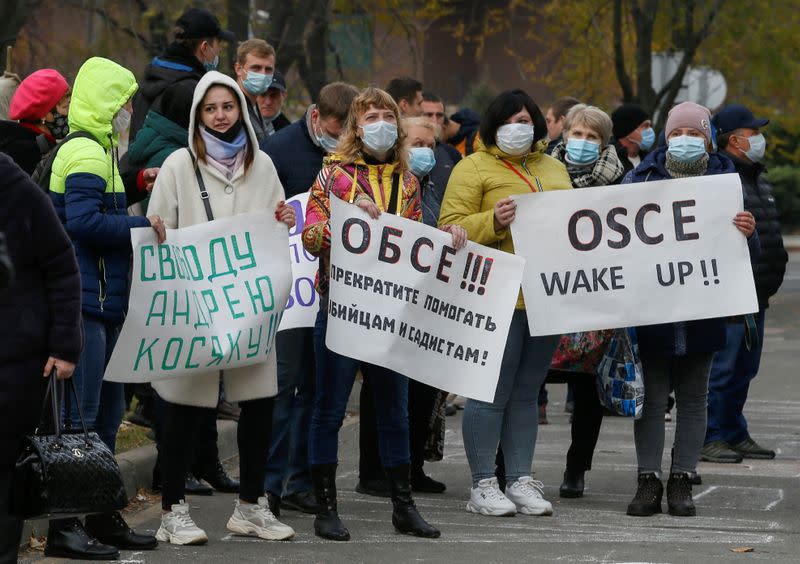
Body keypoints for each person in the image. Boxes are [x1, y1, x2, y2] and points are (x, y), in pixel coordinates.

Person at [302, 87, 464, 541]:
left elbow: (416, 240)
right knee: (329, 409)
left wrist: (445, 235)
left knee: (394, 409)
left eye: (387, 116)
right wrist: (345, 221)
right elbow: (311, 237)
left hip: (392, 312)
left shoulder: (408, 181)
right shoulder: (333, 176)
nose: (381, 124)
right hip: (340, 307)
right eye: (371, 116)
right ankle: (326, 508)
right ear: (356, 126)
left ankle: (403, 506)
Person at [147, 71, 296, 545]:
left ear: (240, 111)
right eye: (210, 108)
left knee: (258, 405)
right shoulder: (177, 165)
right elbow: (161, 230)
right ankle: (173, 509)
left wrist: (286, 218)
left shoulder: (263, 166)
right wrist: (157, 229)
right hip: (195, 304)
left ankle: (251, 506)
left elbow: (276, 225)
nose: (219, 116)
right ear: (197, 115)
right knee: (185, 410)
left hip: (248, 307)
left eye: (227, 107)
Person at [438, 89, 572, 517]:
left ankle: (519, 479)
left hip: (544, 296)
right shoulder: (472, 168)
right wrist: (492, 222)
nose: (520, 127)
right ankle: (482, 484)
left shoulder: (553, 167)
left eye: (527, 119)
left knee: (526, 394)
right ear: (494, 126)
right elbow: (450, 228)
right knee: (490, 392)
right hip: (496, 298)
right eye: (511, 120)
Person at [48, 56, 161, 558]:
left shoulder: (99, 152)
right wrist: (142, 228)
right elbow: (84, 223)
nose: (130, 112)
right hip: (86, 305)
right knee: (84, 419)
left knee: (107, 416)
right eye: (124, 102)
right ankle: (65, 527)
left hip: (102, 304)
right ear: (106, 106)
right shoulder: (89, 155)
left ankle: (99, 514)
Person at [622, 101, 759, 518]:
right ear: (666, 138)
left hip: (703, 310)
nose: (686, 140)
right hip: (654, 311)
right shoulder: (639, 178)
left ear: (708, 138)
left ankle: (682, 478)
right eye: (678, 133)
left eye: (695, 134)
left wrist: (746, 233)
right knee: (653, 396)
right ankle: (649, 480)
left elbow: (745, 252)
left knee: (695, 397)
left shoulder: (726, 181)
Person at [259, 81, 359, 517]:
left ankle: (300, 482)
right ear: (316, 118)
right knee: (283, 388)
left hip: (326, 292)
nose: (342, 140)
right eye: (337, 130)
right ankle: (267, 486)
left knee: (314, 392)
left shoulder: (355, 159)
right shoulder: (278, 150)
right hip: (288, 292)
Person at [0, 153, 82, 561]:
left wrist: (64, 347)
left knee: (5, 478)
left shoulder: (19, 191)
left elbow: (62, 267)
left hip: (14, 365)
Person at [699, 104, 788, 463]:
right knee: (721, 370)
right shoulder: (721, 180)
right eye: (754, 134)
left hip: (757, 293)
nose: (760, 140)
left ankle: (734, 431)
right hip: (730, 294)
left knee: (744, 370)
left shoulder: (756, 176)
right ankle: (710, 436)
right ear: (734, 140)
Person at [546, 104, 626, 498]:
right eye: (577, 134)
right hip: (546, 293)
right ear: (564, 135)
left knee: (589, 390)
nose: (583, 143)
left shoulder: (621, 185)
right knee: (528, 383)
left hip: (595, 297)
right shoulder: (540, 175)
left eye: (592, 137)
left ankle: (576, 469)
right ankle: (506, 466)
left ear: (604, 143)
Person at [131, 7, 234, 142]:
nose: (219, 50)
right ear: (204, 47)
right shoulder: (192, 91)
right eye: (218, 44)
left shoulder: (148, 80)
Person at [0, 69, 70, 175]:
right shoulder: (27, 154)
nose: (69, 112)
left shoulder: (38, 144)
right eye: (65, 107)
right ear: (43, 114)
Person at [234, 39, 277, 142]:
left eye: (268, 69)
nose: (263, 74)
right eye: (256, 68)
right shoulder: (232, 108)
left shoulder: (254, 106)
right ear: (238, 69)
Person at [611, 103, 656, 173]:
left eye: (650, 126)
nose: (650, 130)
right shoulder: (610, 162)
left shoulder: (652, 160)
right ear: (628, 130)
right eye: (645, 126)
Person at [256, 70, 290, 136]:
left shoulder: (291, 133)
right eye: (263, 94)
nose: (268, 102)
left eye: (274, 95)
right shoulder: (242, 125)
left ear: (284, 95)